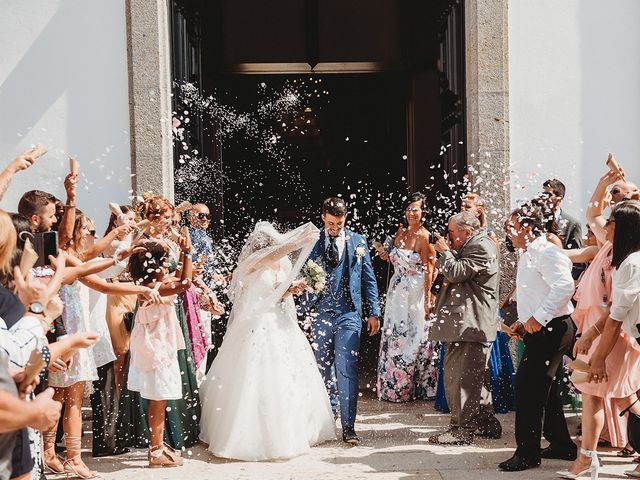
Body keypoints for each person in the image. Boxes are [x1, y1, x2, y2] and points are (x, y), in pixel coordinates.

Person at [199, 222, 336, 460]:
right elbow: (266, 269)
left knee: (286, 375)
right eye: (269, 243)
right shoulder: (252, 262)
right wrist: (297, 243)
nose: (271, 247)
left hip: (280, 321)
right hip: (256, 323)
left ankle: (293, 430)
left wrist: (291, 288)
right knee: (254, 374)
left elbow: (277, 290)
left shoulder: (282, 262)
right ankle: (246, 436)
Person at [499, 202, 577, 472]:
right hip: (541, 327)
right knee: (547, 389)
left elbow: (565, 286)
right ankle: (561, 444)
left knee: (528, 387)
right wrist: (524, 322)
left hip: (554, 328)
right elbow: (537, 291)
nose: (508, 231)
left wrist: (538, 318)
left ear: (527, 227)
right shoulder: (528, 252)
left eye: (512, 226)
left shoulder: (546, 251)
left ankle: (528, 453)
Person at [303, 197, 381, 445]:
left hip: (349, 314)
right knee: (322, 367)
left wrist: (374, 312)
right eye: (329, 223)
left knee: (346, 368)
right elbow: (301, 275)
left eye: (338, 223)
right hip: (321, 313)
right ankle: (328, 417)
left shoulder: (358, 242)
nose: (334, 228)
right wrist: (303, 312)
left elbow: (369, 279)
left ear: (346, 217)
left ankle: (349, 426)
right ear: (323, 217)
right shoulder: (313, 241)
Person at [428, 211, 501, 445]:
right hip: (468, 322)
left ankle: (461, 429)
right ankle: (485, 423)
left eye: (451, 232)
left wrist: (444, 252)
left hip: (471, 323)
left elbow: (456, 272)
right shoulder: (476, 243)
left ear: (467, 231)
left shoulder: (481, 246)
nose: (447, 237)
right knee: (474, 378)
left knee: (459, 377)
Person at [126, 237, 196, 467]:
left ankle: (158, 444)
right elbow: (185, 282)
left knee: (160, 398)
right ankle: (155, 450)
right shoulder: (152, 288)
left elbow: (184, 279)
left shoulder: (154, 284)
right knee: (158, 400)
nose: (168, 266)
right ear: (154, 266)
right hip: (156, 350)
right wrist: (187, 253)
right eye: (165, 262)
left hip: (158, 347)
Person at [587, 200, 640, 478]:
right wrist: (591, 334)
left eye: (611, 222)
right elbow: (613, 310)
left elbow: (616, 317)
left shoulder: (631, 263)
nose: (605, 226)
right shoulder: (628, 261)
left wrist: (598, 358)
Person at [376, 192, 437, 402]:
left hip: (415, 292)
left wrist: (428, 298)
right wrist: (385, 254)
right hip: (397, 291)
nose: (412, 213)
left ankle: (410, 387)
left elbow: (431, 269)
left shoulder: (424, 237)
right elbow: (395, 258)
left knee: (413, 337)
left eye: (416, 209)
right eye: (409, 209)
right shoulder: (399, 232)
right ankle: (393, 386)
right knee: (395, 336)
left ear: (423, 212)